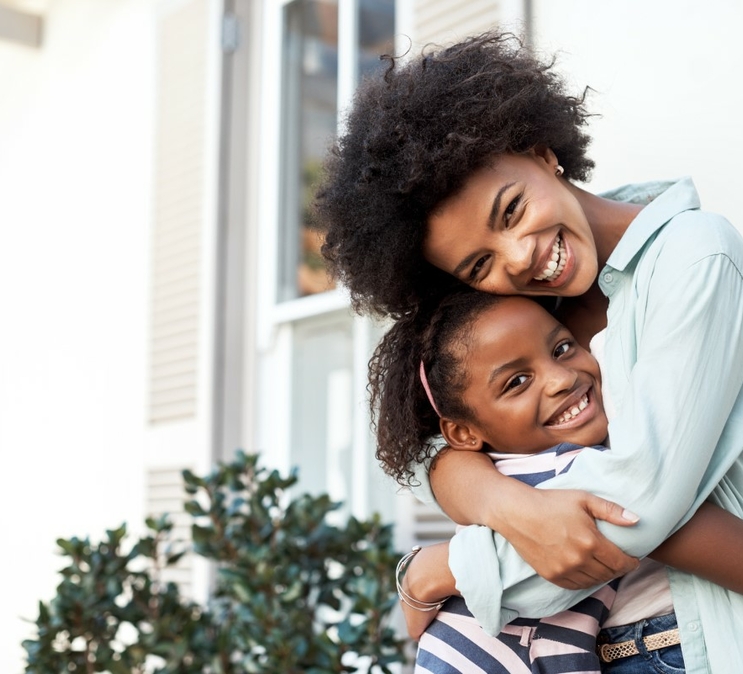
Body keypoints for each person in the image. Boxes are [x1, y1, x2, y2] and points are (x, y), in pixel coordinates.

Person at [315, 30, 743, 673]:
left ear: (543, 152)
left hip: (690, 646)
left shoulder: (693, 257)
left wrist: (448, 567)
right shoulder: (521, 315)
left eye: (511, 210)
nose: (519, 257)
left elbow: (638, 505)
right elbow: (436, 449)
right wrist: (504, 502)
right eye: (480, 262)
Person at [375, 289, 743, 673]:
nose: (561, 379)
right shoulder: (574, 469)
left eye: (563, 348)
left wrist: (436, 569)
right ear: (463, 434)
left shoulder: (506, 467)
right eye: (517, 381)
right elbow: (669, 524)